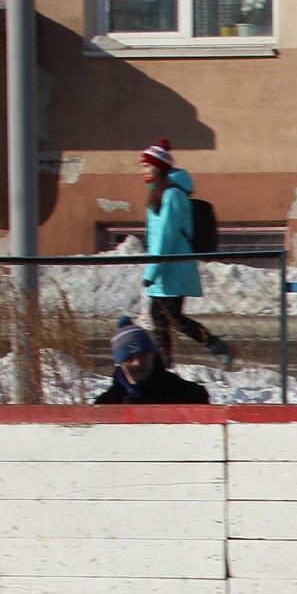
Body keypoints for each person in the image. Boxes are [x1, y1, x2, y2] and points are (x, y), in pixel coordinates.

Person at [138, 139, 236, 369]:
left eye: (146, 165)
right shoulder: (163, 193)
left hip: (171, 269)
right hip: (170, 269)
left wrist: (152, 270)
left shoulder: (170, 195)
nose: (142, 170)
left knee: (165, 319)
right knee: (168, 320)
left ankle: (167, 366)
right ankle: (210, 350)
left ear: (159, 167)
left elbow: (165, 236)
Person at [94, 318, 210, 405]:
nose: (138, 363)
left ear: (152, 355)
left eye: (143, 355)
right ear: (120, 363)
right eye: (130, 359)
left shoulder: (185, 394)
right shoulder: (107, 404)